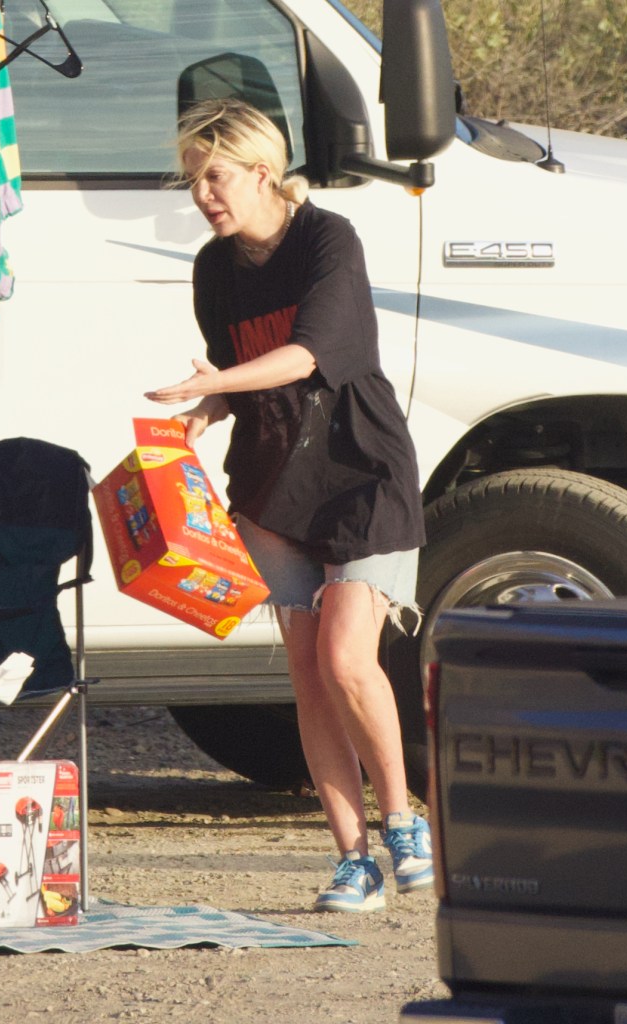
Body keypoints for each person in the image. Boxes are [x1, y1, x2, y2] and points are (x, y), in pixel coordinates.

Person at [146, 98, 432, 913]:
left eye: (215, 175)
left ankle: (402, 821)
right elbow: (244, 376)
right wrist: (206, 411)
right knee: (307, 679)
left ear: (262, 170)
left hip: (359, 472)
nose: (202, 193)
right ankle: (353, 861)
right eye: (193, 179)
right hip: (272, 486)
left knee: (347, 658)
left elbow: (307, 354)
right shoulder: (214, 267)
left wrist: (215, 383)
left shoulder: (326, 239)